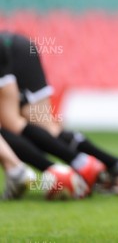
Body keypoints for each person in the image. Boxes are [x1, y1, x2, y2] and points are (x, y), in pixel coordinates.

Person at [0, 33, 105, 194]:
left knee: (11, 124)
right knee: (20, 123)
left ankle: (24, 171)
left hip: (12, 48)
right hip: (9, 46)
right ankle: (82, 163)